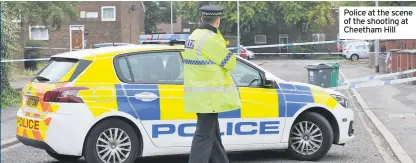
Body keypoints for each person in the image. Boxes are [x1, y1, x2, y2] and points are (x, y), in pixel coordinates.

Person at [183, 5, 242, 163]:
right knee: (203, 136)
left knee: (212, 135)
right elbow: (230, 63)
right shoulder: (211, 39)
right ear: (218, 21)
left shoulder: (194, 36)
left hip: (198, 96)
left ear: (201, 19)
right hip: (209, 98)